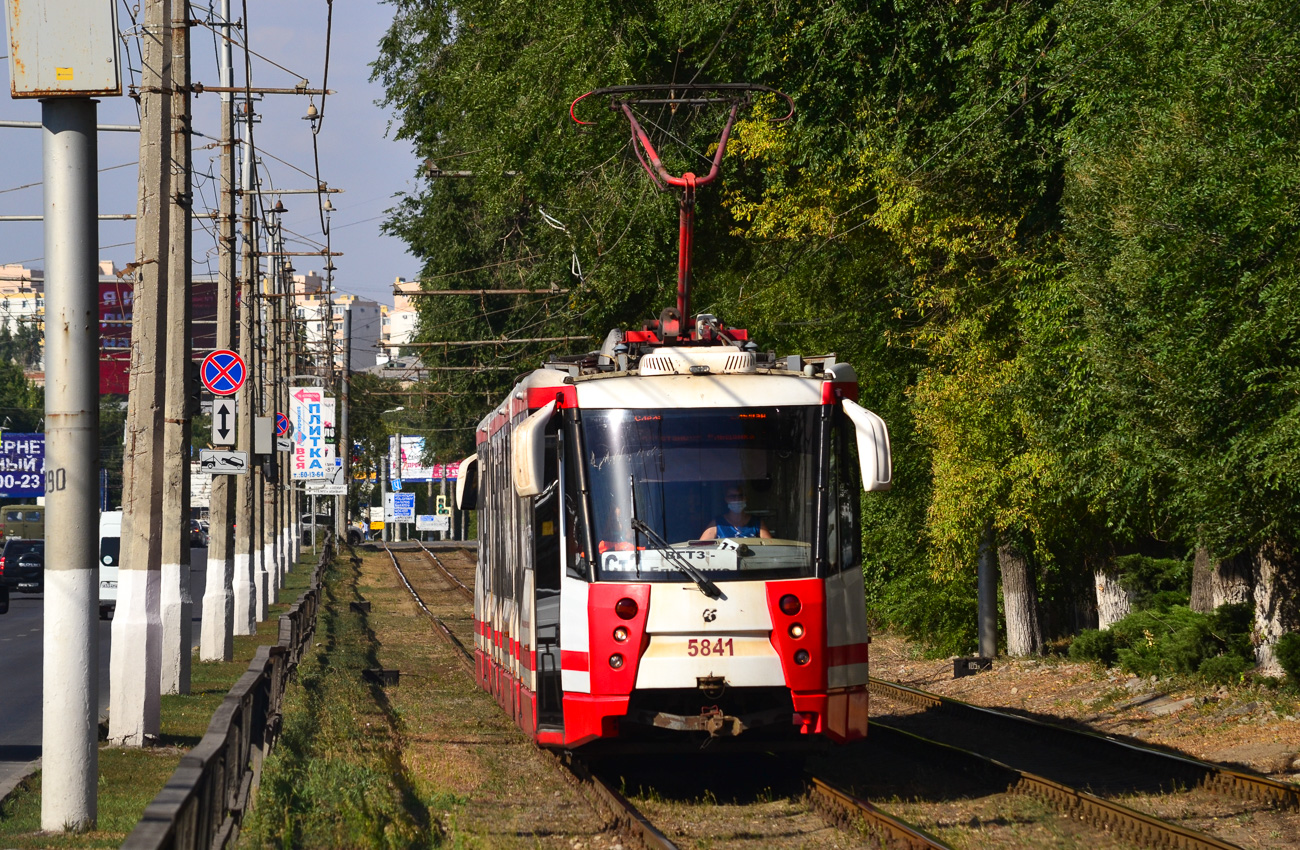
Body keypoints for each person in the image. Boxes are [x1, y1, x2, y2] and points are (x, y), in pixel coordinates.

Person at [700, 486, 772, 540]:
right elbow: (702, 547)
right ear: (726, 499)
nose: (737, 499)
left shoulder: (757, 523)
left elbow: (771, 546)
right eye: (732, 496)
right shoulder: (717, 523)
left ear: (745, 498)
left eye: (740, 496)